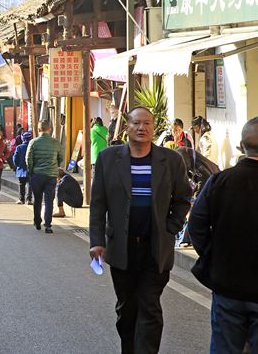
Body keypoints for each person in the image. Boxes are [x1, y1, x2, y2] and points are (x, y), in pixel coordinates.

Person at [89, 107, 192, 354]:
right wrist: (96, 240)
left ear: (153, 128)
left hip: (155, 248)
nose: (141, 127)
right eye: (136, 123)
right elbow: (98, 203)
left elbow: (183, 199)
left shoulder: (171, 160)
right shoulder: (108, 159)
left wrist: (170, 228)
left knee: (150, 307)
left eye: (147, 123)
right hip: (121, 248)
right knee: (127, 309)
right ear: (127, 127)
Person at [188, 116, 258, 353]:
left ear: (243, 147)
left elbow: (196, 227)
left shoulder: (219, 181)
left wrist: (213, 258)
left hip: (227, 286)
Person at [25, 120, 64, 233]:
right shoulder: (56, 143)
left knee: (37, 199)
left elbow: (28, 159)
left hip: (37, 174)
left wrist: (31, 170)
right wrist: (55, 168)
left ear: (38, 129)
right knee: (49, 200)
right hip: (51, 175)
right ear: (49, 129)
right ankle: (48, 225)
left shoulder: (33, 142)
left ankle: (37, 222)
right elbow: (61, 158)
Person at [12, 129, 33, 205]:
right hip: (31, 169)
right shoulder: (33, 147)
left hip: (21, 169)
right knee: (30, 185)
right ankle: (29, 199)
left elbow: (15, 159)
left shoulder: (19, 147)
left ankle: (21, 199)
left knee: (21, 184)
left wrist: (17, 165)